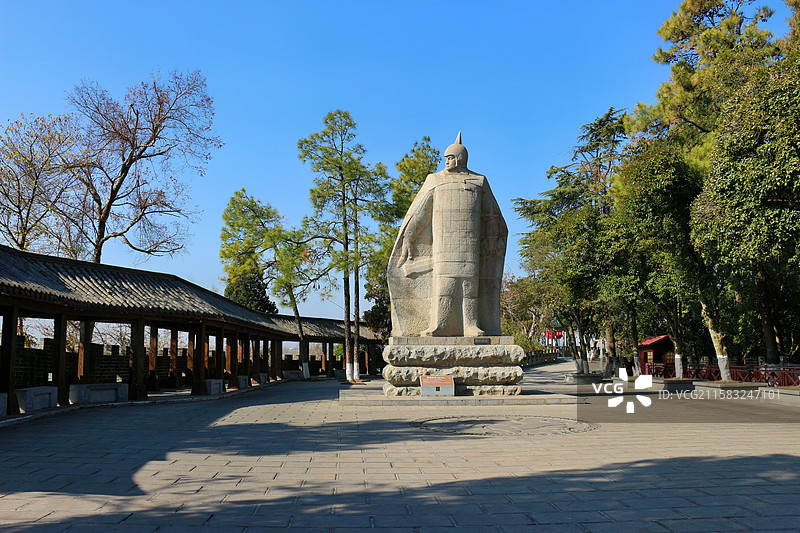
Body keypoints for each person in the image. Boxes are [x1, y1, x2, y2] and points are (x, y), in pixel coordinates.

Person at [387, 133, 507, 337]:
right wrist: (408, 237)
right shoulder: (435, 180)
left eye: (450, 157)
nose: (446, 161)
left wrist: (493, 239)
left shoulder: (479, 181)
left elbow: (492, 215)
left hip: (470, 247)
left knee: (469, 288)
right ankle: (439, 324)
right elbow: (420, 213)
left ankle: (471, 324)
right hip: (444, 246)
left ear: (460, 158)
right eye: (445, 158)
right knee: (445, 287)